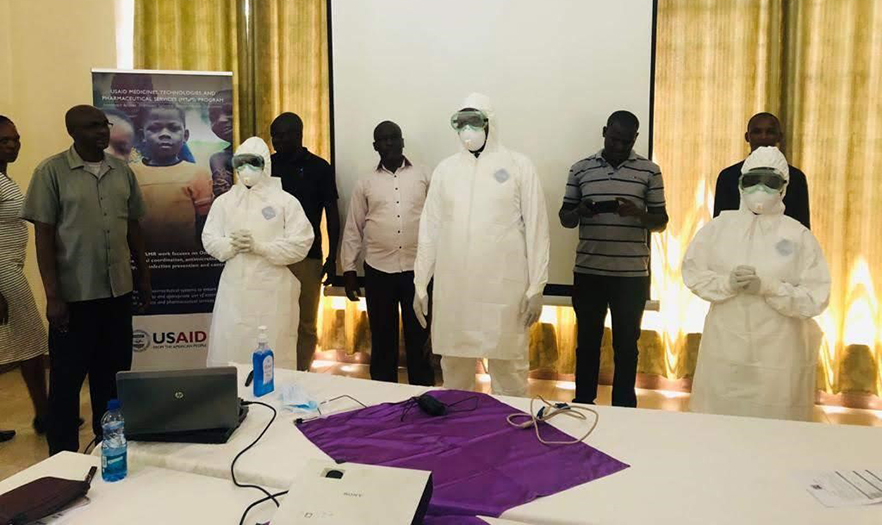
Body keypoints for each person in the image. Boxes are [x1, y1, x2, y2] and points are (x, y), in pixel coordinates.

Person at [21, 105, 151, 454]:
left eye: (103, 124)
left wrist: (143, 276)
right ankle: (62, 459)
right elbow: (44, 237)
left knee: (112, 380)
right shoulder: (51, 172)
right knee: (65, 382)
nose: (101, 131)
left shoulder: (121, 171)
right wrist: (53, 296)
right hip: (74, 297)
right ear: (72, 132)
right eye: (91, 126)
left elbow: (134, 226)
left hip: (117, 292)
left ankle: (108, 447)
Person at [414, 93, 549, 397]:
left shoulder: (518, 166)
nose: (467, 131)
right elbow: (429, 230)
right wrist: (420, 282)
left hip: (503, 291)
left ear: (491, 124)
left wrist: (537, 286)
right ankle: (459, 431)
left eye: (474, 123)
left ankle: (509, 433)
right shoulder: (446, 171)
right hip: (455, 290)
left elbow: (538, 230)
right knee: (455, 368)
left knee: (509, 370)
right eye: (460, 124)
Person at [683, 146, 830, 421]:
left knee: (775, 434)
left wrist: (771, 287)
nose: (760, 188)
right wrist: (726, 283)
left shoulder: (798, 235)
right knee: (719, 426)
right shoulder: (717, 229)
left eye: (770, 181)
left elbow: (816, 297)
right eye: (752, 180)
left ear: (783, 187)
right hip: (725, 349)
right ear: (740, 184)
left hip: (779, 354)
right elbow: (694, 274)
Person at [559, 111, 668, 407]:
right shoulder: (580, 169)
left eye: (626, 141)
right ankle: (583, 401)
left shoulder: (650, 171)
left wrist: (639, 214)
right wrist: (581, 211)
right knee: (588, 344)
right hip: (589, 272)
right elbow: (565, 218)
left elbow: (661, 221)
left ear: (635, 138)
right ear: (604, 131)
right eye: (614, 139)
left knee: (627, 346)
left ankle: (624, 405)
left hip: (631, 275)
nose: (619, 146)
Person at [203, 137, 315, 369]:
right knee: (231, 346)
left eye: (253, 162)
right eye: (240, 163)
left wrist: (261, 248)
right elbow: (209, 239)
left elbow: (302, 242)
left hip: (272, 290)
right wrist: (230, 246)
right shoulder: (224, 203)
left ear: (266, 163)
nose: (246, 170)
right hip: (235, 290)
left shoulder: (285, 202)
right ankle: (231, 398)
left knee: (275, 348)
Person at [341, 121, 434, 385]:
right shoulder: (365, 182)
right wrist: (348, 269)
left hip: (419, 270)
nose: (389, 143)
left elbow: (438, 222)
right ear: (375, 146)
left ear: (403, 141)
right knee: (382, 338)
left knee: (420, 336)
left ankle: (422, 392)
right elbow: (353, 227)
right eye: (383, 140)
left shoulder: (424, 175)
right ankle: (382, 395)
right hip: (379, 270)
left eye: (394, 138)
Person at [270, 112, 340, 371]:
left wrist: (333, 257)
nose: (275, 141)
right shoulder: (266, 166)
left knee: (305, 322)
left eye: (281, 135)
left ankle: (301, 372)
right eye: (273, 136)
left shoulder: (319, 167)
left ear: (298, 135)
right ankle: (274, 371)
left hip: (307, 257)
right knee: (274, 319)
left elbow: (331, 212)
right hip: (272, 257)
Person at [0, 116, 48, 440]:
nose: (13, 145)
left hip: (11, 268)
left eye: (16, 139)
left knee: (22, 344)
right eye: (5, 140)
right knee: (32, 342)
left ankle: (44, 414)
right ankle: (45, 416)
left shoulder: (6, 179)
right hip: (3, 273)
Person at [131, 102, 213, 252]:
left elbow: (205, 223)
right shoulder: (130, 174)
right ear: (142, 135)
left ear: (185, 136)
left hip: (185, 259)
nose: (164, 134)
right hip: (144, 259)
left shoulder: (198, 174)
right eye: (155, 128)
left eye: (173, 128)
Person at [714, 112, 811, 229]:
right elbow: (719, 225)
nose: (763, 137)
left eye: (770, 132)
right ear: (747, 137)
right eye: (757, 132)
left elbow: (802, 225)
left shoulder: (796, 177)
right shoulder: (728, 176)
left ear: (779, 137)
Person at [208, 90, 234, 197]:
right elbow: (223, 195)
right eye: (213, 118)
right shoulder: (219, 159)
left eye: (229, 111)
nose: (221, 120)